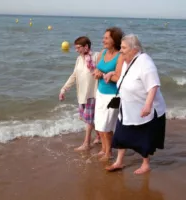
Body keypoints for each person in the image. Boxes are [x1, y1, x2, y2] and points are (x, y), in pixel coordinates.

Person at [105, 34, 166, 174]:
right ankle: (119, 162)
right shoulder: (128, 59)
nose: (121, 50)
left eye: (124, 47)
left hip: (144, 109)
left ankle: (146, 164)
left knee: (144, 138)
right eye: (120, 47)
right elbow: (126, 74)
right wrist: (112, 73)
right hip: (127, 107)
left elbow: (153, 85)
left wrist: (148, 105)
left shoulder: (146, 63)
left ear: (135, 49)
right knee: (120, 135)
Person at [59, 36, 100, 151]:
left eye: (78, 48)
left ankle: (86, 143)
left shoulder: (96, 57)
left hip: (93, 94)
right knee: (86, 118)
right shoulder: (79, 59)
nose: (76, 50)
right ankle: (99, 136)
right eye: (75, 48)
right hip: (81, 95)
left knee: (89, 120)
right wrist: (64, 89)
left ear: (86, 47)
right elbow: (74, 75)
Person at [93, 27, 124, 161]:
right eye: (103, 37)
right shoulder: (103, 53)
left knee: (107, 125)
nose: (103, 40)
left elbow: (118, 77)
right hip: (100, 92)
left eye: (106, 38)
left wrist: (104, 75)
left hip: (112, 96)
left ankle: (109, 152)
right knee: (99, 124)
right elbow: (96, 69)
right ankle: (104, 149)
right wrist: (96, 73)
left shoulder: (120, 56)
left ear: (114, 40)